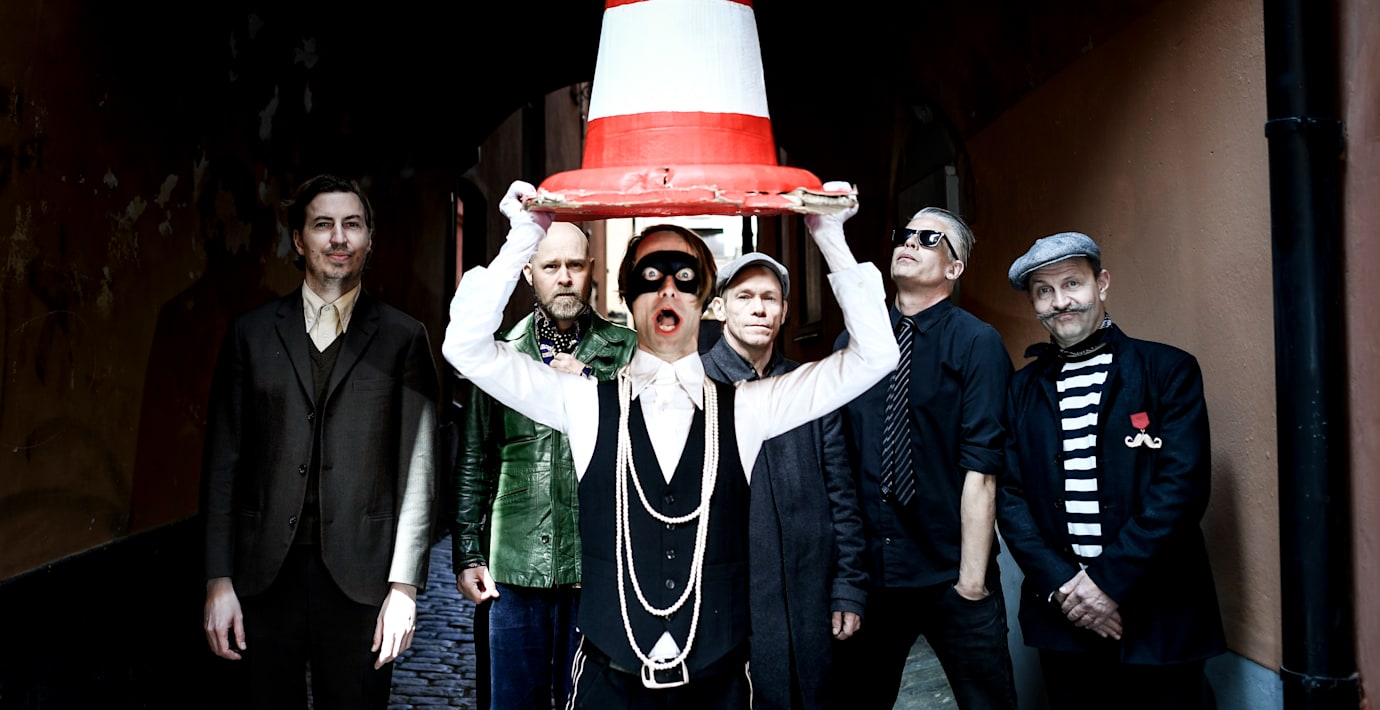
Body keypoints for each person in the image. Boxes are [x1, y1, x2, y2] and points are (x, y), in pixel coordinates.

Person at [441, 180, 897, 706]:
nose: (667, 290)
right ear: (627, 297)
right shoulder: (582, 402)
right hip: (608, 685)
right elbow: (466, 347)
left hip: (717, 686)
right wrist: (525, 233)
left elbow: (875, 357)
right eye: (649, 277)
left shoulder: (749, 407)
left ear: (706, 301)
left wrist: (829, 234)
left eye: (685, 278)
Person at [200, 174, 439, 709]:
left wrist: (404, 588)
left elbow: (420, 471)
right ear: (298, 239)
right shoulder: (250, 334)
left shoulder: (403, 338)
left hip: (363, 578)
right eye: (323, 224)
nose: (338, 237)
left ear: (369, 239)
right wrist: (218, 580)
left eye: (352, 224)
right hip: (263, 577)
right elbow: (222, 464)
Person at [996, 232, 1225, 709]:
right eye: (1044, 291)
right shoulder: (1020, 390)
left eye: (1072, 283)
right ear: (1034, 304)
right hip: (1064, 620)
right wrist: (1064, 588)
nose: (1061, 301)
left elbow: (1181, 490)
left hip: (1160, 614)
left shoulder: (1168, 370)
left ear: (1101, 284)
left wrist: (1105, 583)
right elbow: (1010, 498)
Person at [833, 207, 1017, 709]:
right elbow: (840, 465)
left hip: (950, 573)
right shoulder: (856, 341)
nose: (910, 243)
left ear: (955, 269)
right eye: (905, 234)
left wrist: (971, 583)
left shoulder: (977, 342)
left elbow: (983, 468)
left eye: (930, 239)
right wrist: (847, 579)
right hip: (874, 577)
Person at [453, 222, 636, 709]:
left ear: (592, 270)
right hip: (513, 565)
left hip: (599, 565)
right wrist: (468, 553)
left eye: (575, 265)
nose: (564, 277)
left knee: (593, 700)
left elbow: (648, 441)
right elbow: (474, 458)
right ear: (529, 273)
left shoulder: (625, 349)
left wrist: (593, 383)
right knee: (513, 700)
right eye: (551, 266)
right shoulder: (500, 352)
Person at [702, 252, 867, 709]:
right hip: (728, 613)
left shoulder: (810, 384)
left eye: (769, 298)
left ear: (785, 310)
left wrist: (848, 587)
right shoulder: (693, 387)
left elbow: (842, 495)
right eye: (745, 297)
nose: (759, 308)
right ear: (720, 309)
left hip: (810, 606)